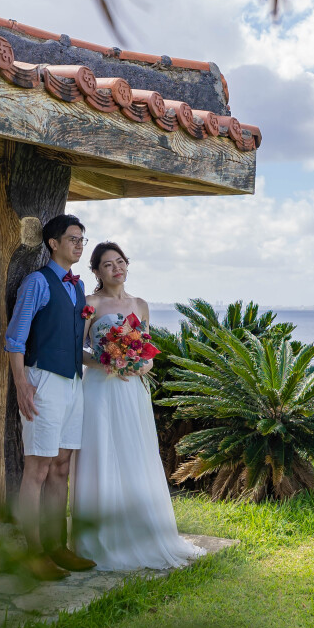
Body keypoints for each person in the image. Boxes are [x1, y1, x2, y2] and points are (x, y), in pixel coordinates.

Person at [71, 241, 206, 571]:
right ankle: (100, 537)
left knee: (135, 453)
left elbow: (145, 347)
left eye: (120, 262)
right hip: (101, 388)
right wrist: (105, 361)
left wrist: (143, 364)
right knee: (101, 452)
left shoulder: (141, 304)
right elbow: (77, 350)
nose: (116, 268)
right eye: (107, 264)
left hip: (133, 390)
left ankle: (143, 531)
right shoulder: (90, 303)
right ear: (96, 271)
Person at [5, 214, 97, 581]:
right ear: (53, 243)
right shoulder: (36, 282)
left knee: (61, 468)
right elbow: (15, 339)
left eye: (82, 240)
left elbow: (78, 341)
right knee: (38, 469)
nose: (78, 244)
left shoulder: (77, 288)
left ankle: (58, 545)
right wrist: (21, 384)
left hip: (73, 382)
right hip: (43, 381)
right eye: (73, 239)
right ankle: (33, 552)